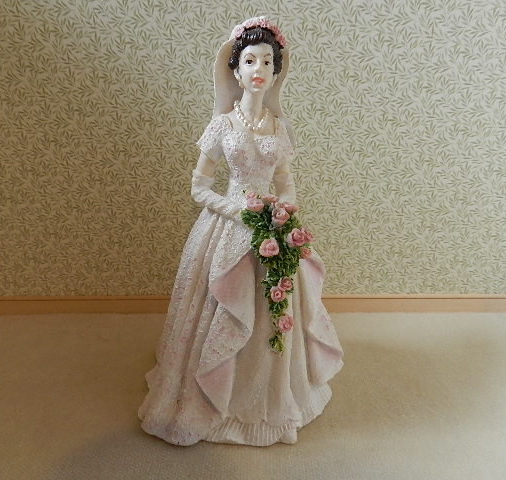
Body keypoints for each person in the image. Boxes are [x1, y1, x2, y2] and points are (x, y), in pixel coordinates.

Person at [138, 16, 343, 447]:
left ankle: (264, 397)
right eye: (250, 60)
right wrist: (236, 209)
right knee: (223, 304)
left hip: (271, 225)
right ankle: (209, 391)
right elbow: (198, 187)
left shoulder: (279, 127)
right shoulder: (221, 126)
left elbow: (284, 179)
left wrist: (282, 211)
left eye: (267, 61)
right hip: (227, 226)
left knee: (272, 307)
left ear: (276, 71)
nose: (259, 69)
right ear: (235, 70)